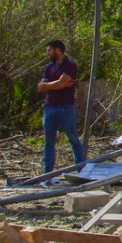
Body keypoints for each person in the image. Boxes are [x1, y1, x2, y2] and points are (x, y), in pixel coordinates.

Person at [38, 39, 86, 173]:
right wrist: (56, 84)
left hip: (66, 106)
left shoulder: (70, 65)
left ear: (57, 50)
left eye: (49, 49)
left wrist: (50, 85)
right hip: (49, 107)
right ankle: (47, 174)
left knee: (73, 139)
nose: (47, 52)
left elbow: (61, 83)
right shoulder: (49, 68)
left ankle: (81, 171)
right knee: (49, 142)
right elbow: (41, 87)